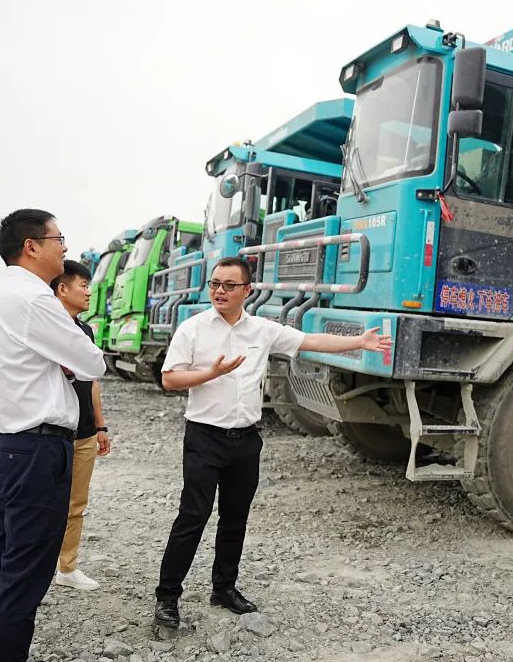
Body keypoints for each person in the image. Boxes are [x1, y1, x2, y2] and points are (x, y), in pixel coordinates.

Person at [153, 256, 392, 628]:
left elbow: (310, 340)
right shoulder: (193, 329)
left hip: (246, 441)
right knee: (192, 517)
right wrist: (208, 373)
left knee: (236, 518)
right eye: (215, 283)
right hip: (204, 437)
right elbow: (168, 380)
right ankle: (168, 597)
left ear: (247, 291)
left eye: (229, 285)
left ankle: (224, 588)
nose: (219, 290)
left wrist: (358, 341)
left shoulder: (262, 330)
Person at [0, 210, 105, 662]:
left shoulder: (5, 297)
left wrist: (63, 362)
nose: (64, 248)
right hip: (37, 449)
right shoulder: (34, 299)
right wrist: (70, 362)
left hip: (13, 444)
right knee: (26, 568)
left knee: (6, 556)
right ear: (31, 246)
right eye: (59, 239)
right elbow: (92, 361)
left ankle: (1, 661)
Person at [49, 260, 112, 592]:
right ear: (62, 289)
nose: (89, 291)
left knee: (76, 504)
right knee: (42, 503)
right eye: (83, 285)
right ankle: (34, 568)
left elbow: (93, 382)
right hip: (49, 433)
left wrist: (100, 426)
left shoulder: (85, 330)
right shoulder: (45, 326)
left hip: (84, 433)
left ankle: (67, 567)